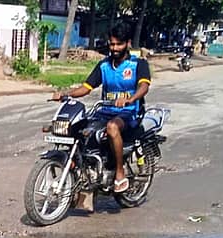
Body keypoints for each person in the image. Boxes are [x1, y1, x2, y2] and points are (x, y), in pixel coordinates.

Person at [50, 22, 151, 193]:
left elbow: (144, 86)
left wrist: (130, 99)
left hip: (129, 112)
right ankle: (84, 171)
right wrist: (65, 94)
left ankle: (119, 172)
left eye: (119, 44)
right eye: (112, 44)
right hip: (104, 111)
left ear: (127, 43)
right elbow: (86, 88)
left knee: (112, 127)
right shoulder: (104, 65)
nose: (115, 48)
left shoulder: (138, 64)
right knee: (80, 128)